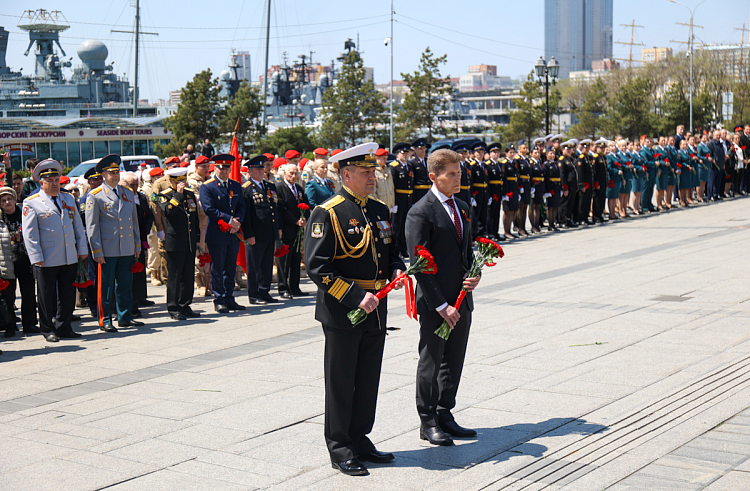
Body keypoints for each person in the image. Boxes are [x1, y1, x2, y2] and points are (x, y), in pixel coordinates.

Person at [304, 142, 405, 476]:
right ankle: (340, 446)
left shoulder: (377, 210)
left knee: (367, 378)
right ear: (346, 174)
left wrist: (396, 269)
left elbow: (391, 250)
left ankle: (361, 439)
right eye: (365, 172)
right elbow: (317, 267)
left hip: (377, 308)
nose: (372, 177)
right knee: (341, 380)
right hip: (343, 311)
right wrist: (354, 297)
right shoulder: (328, 212)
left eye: (373, 172)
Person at [405, 148, 480, 447]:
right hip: (437, 302)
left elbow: (468, 250)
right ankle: (427, 421)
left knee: (454, 358)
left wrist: (475, 275)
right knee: (431, 360)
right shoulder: (420, 211)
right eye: (451, 173)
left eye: (459, 172)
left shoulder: (461, 206)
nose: (457, 177)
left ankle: (445, 411)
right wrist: (441, 305)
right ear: (433, 176)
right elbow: (419, 264)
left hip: (462, 298)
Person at [22, 159, 88, 342]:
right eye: (49, 181)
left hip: (69, 256)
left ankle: (64, 326)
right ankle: (47, 328)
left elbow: (77, 226)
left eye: (56, 180)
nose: (54, 183)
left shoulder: (68, 199)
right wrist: (36, 257)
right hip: (47, 257)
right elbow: (30, 234)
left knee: (67, 295)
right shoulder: (32, 202)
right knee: (45, 295)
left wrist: (82, 249)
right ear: (41, 183)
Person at [86, 155, 144, 332]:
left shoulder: (127, 193)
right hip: (107, 249)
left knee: (125, 284)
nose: (115, 176)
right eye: (111, 173)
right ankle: (105, 319)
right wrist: (97, 250)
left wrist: (136, 245)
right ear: (103, 175)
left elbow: (134, 221)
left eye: (117, 172)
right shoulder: (95, 196)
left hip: (126, 247)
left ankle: (125, 316)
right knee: (106, 287)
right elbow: (92, 226)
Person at [200, 154, 246, 313]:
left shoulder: (235, 185)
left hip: (233, 233)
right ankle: (219, 299)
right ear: (215, 168)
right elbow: (209, 209)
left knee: (230, 267)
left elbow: (241, 206)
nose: (224, 171)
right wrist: (229, 220)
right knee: (218, 268)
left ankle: (229, 297)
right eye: (221, 167)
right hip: (217, 233)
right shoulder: (208, 186)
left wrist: (237, 221)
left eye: (227, 168)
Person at [158, 167, 200, 320]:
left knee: (188, 275)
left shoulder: (190, 195)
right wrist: (178, 195)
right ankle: (173, 307)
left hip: (188, 241)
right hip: (175, 242)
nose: (182, 184)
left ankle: (185, 305)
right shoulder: (165, 196)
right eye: (179, 181)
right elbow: (168, 211)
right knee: (175, 276)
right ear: (171, 181)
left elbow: (194, 218)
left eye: (183, 180)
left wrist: (197, 237)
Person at [242, 155, 280, 305]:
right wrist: (249, 234)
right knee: (254, 266)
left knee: (267, 264)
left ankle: (264, 291)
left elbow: (275, 209)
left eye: (262, 168)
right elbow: (246, 215)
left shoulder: (270, 186)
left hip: (269, 232)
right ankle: (254, 294)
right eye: (257, 169)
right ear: (250, 171)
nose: (261, 171)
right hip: (255, 234)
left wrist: (278, 228)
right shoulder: (247, 188)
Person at [0, 187, 37, 336]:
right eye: (3, 200)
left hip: (25, 260)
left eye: (9, 199)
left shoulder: (26, 214)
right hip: (7, 262)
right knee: (8, 297)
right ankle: (10, 325)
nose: (7, 202)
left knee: (28, 294)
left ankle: (30, 325)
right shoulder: (1, 218)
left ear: (16, 199)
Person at [276, 163, 310, 298]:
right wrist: (295, 220)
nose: (294, 176)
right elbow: (281, 208)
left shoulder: (299, 188)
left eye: (296, 173)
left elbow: (305, 205)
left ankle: (295, 287)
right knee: (284, 260)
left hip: (298, 230)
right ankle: (283, 288)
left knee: (296, 259)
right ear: (285, 174)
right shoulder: (279, 188)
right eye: (291, 173)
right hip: (286, 228)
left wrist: (304, 219)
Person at [122, 172, 153, 318]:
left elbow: (149, 215)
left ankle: (139, 300)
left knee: (139, 271)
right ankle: (130, 306)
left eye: (136, 184)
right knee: (129, 274)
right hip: (127, 240)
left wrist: (145, 231)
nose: (135, 187)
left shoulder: (141, 197)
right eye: (131, 185)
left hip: (140, 238)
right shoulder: (123, 198)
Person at [188, 155, 212, 296]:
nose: (206, 169)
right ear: (196, 167)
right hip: (200, 223)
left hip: (211, 222)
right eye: (203, 166)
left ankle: (208, 281)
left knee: (209, 252)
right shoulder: (192, 182)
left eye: (207, 166)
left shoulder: (210, 180)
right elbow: (198, 203)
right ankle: (199, 282)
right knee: (200, 252)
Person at [389, 142, 413, 257]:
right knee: (396, 227)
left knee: (404, 226)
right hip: (399, 200)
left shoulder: (409, 166)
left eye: (406, 152)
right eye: (402, 153)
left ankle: (403, 249)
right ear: (397, 154)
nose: (405, 155)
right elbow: (392, 187)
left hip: (407, 201)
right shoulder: (394, 167)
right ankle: (396, 250)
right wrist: (393, 203)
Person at [469, 141, 489, 240]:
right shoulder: (472, 165)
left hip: (484, 193)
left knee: (483, 215)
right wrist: (472, 196)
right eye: (478, 152)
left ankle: (481, 235)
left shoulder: (484, 165)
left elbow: (487, 181)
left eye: (482, 152)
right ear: (474, 153)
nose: (480, 154)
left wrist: (488, 195)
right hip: (476, 194)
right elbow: (471, 182)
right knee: (475, 217)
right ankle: (474, 236)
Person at [485, 142, 503, 240]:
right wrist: (489, 195)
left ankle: (495, 232)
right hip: (492, 192)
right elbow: (487, 181)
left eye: (498, 152)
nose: (496, 154)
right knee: (490, 214)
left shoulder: (499, 165)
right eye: (494, 152)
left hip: (498, 192)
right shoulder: (487, 165)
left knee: (496, 213)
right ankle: (490, 233)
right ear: (490, 154)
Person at [543, 149, 562, 230]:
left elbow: (559, 177)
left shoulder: (556, 164)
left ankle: (553, 223)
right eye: (550, 154)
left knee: (555, 207)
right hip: (551, 187)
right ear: (547, 155)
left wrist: (560, 188)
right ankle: (550, 224)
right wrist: (547, 190)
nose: (552, 155)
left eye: (553, 153)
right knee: (550, 207)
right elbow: (546, 178)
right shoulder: (546, 165)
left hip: (556, 187)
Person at [592, 138, 609, 222]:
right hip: (598, 182)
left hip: (603, 182)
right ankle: (596, 216)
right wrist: (596, 183)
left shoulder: (603, 157)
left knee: (602, 199)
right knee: (597, 199)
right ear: (597, 148)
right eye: (600, 148)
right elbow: (594, 172)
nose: (602, 149)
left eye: (603, 148)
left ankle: (600, 215)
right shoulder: (596, 157)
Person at [409, 138, 431, 203]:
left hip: (429, 192)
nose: (423, 150)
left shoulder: (428, 161)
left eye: (424, 148)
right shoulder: (412, 163)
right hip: (419, 194)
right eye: (420, 148)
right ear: (415, 149)